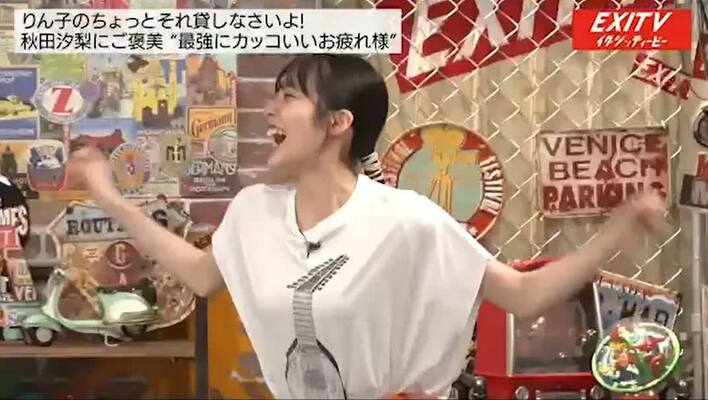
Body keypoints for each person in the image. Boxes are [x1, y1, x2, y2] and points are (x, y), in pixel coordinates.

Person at [67, 54, 667, 400]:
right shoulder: (252, 212)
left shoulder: (406, 219)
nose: (270, 110)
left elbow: (523, 294)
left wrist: (615, 233)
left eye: (288, 97)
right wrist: (110, 198)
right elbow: (202, 277)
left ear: (338, 123)